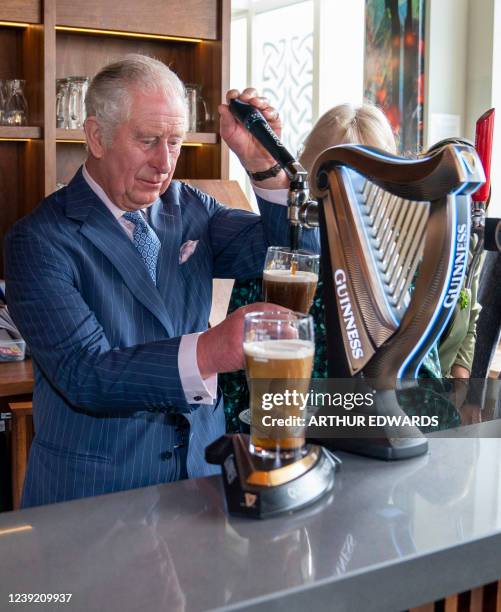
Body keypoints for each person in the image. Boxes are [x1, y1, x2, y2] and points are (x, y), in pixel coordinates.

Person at [4, 54, 318, 507]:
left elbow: (290, 254)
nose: (164, 162)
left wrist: (264, 166)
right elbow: (85, 375)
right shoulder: (38, 240)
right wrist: (213, 349)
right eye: (148, 140)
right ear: (96, 136)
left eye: (175, 142)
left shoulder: (189, 207)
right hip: (95, 501)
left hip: (202, 482)